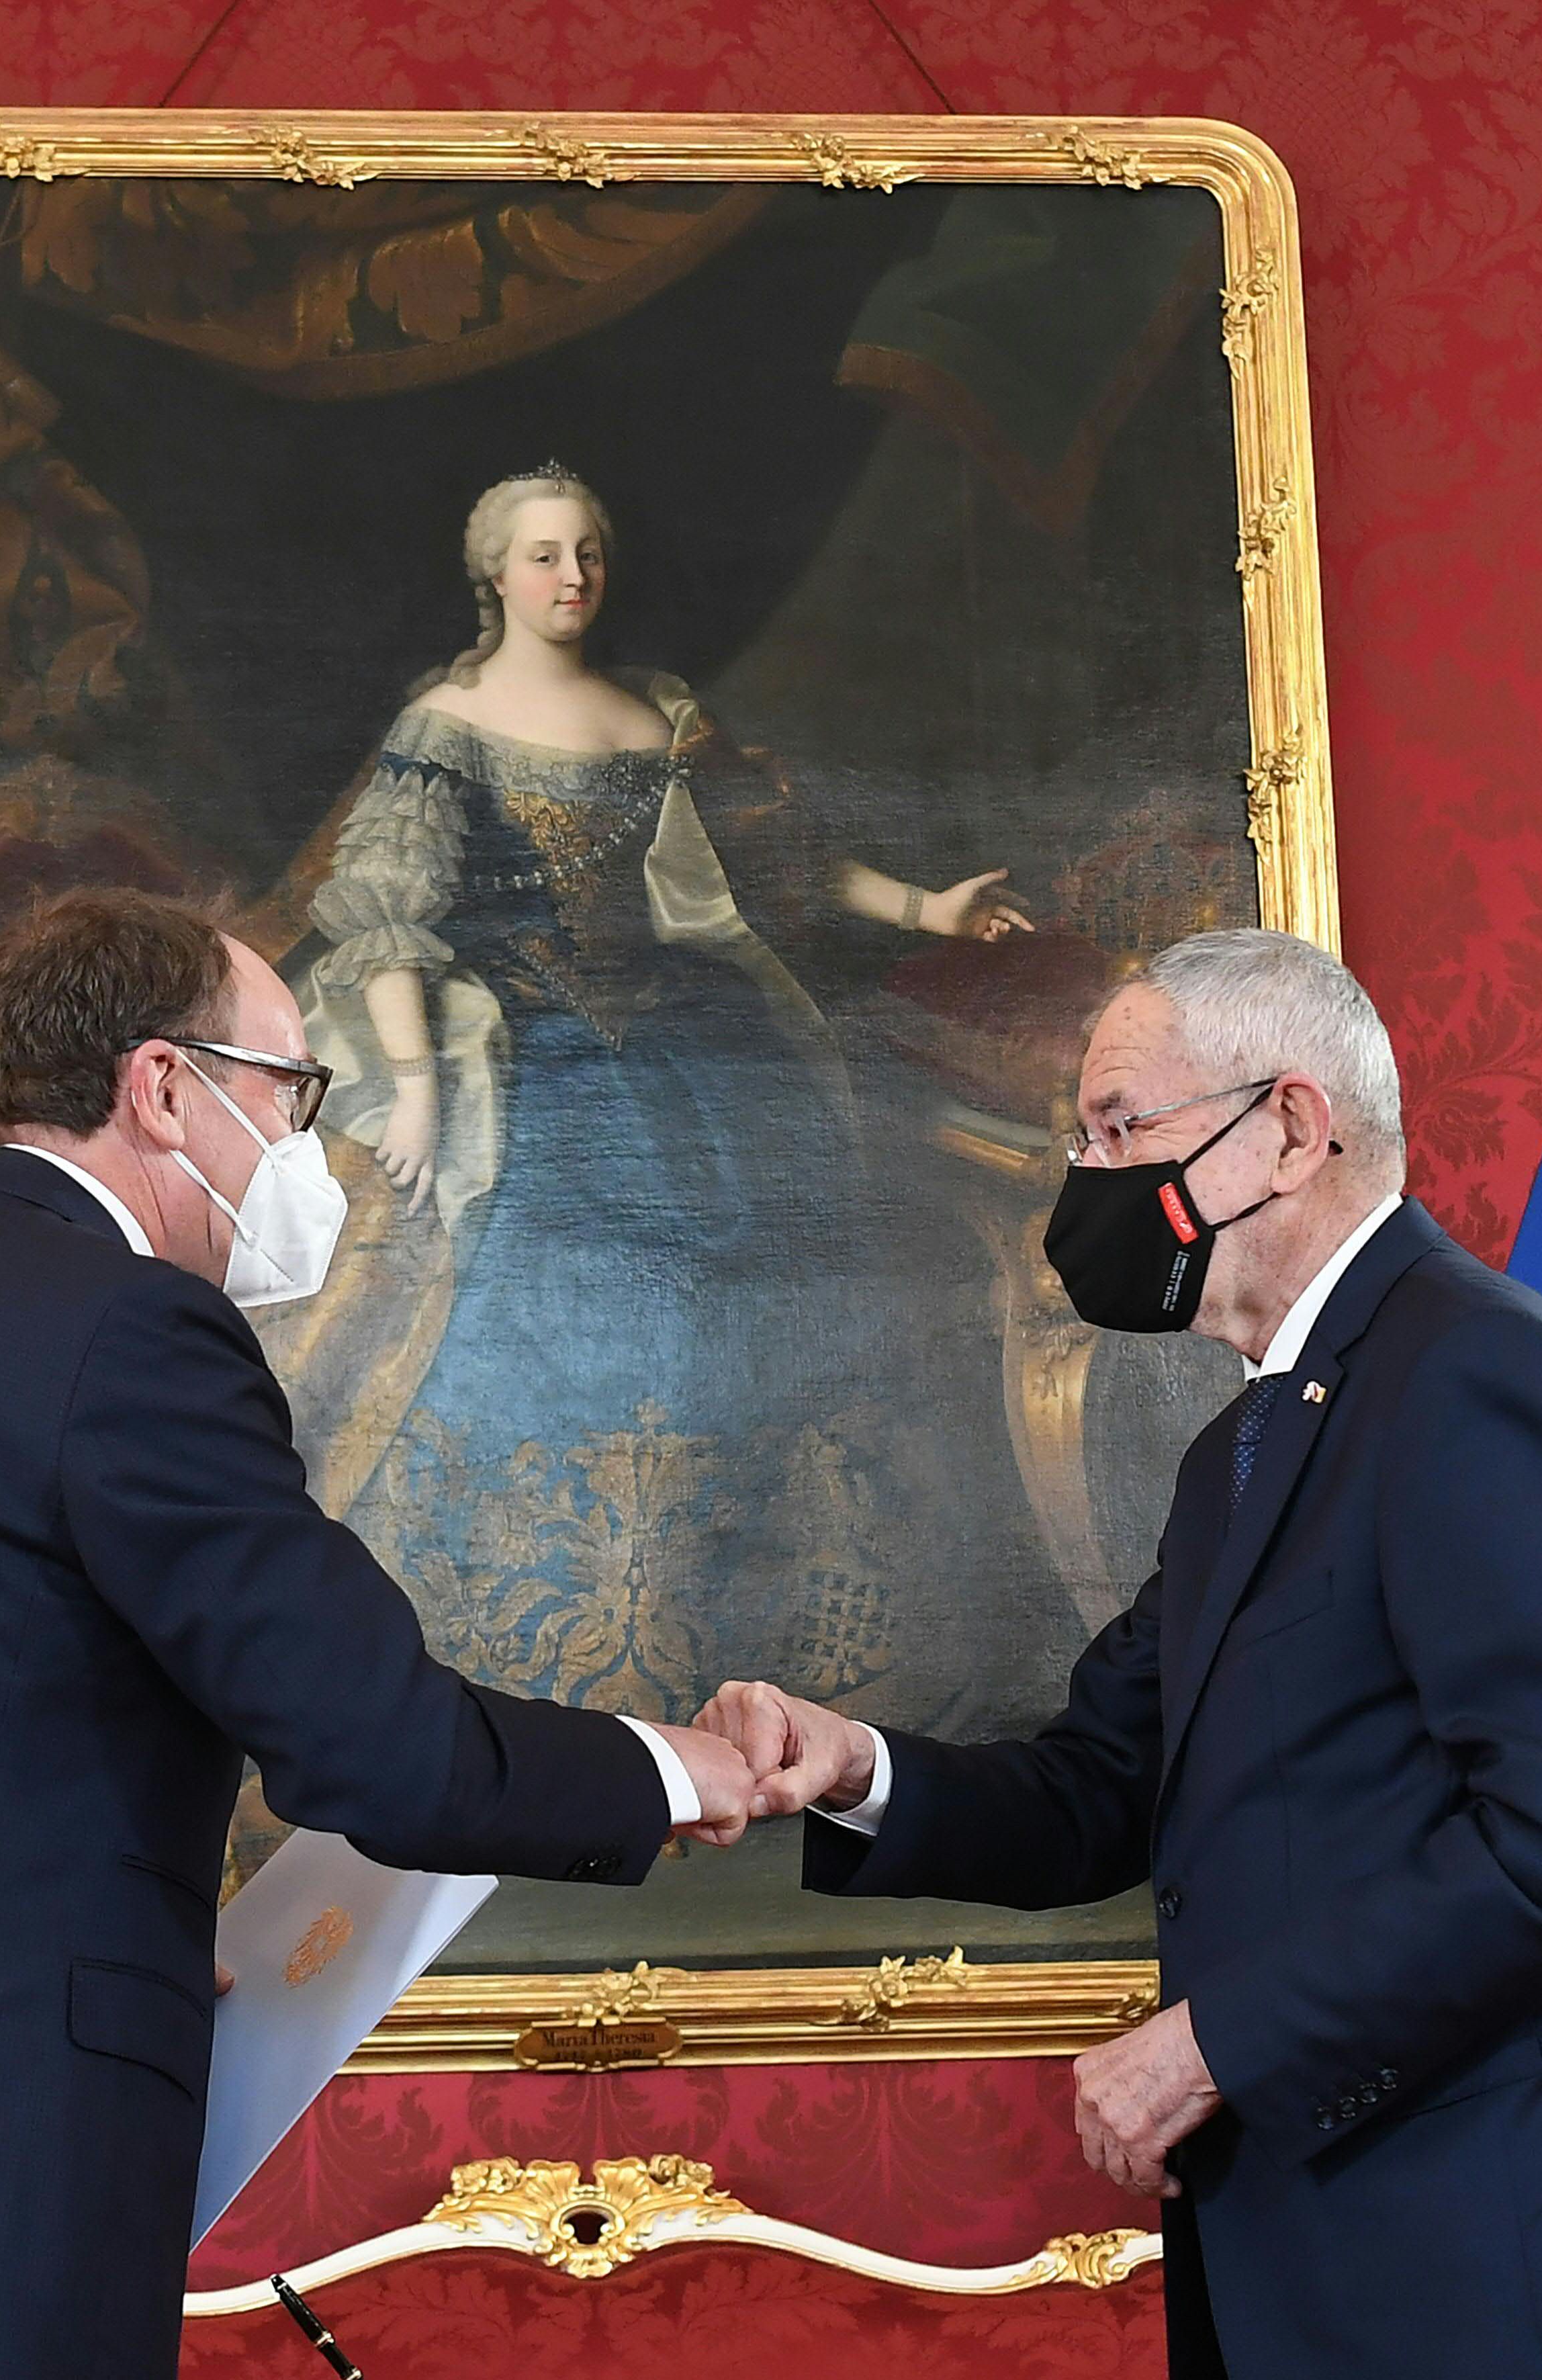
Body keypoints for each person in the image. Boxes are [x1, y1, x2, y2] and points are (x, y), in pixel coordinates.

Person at [0, 890, 756, 2380]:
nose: (306, 1145)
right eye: (291, 1089)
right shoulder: (130, 1327)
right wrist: (680, 1771)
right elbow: (381, 1748)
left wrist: (54, 1915)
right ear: (164, 1086)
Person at [694, 928, 1542, 2378]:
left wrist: (1214, 2040)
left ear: (1290, 1129)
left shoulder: (1470, 1368)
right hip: (1332, 2261)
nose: (1085, 1180)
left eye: (1120, 1126)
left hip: (1504, 2259)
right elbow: (1099, 1782)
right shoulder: (1249, 1440)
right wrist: (852, 1765)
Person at [295, 461, 1030, 1711]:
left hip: (692, 1041)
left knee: (781, 1279)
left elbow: (775, 860)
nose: (570, 575)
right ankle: (532, 1654)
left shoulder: (659, 715)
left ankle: (769, 1633)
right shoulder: (445, 728)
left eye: (585, 551)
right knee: (555, 1281)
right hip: (524, 1048)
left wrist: (927, 908)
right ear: (494, 573)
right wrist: (414, 1085)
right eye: (542, 554)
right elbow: (387, 910)